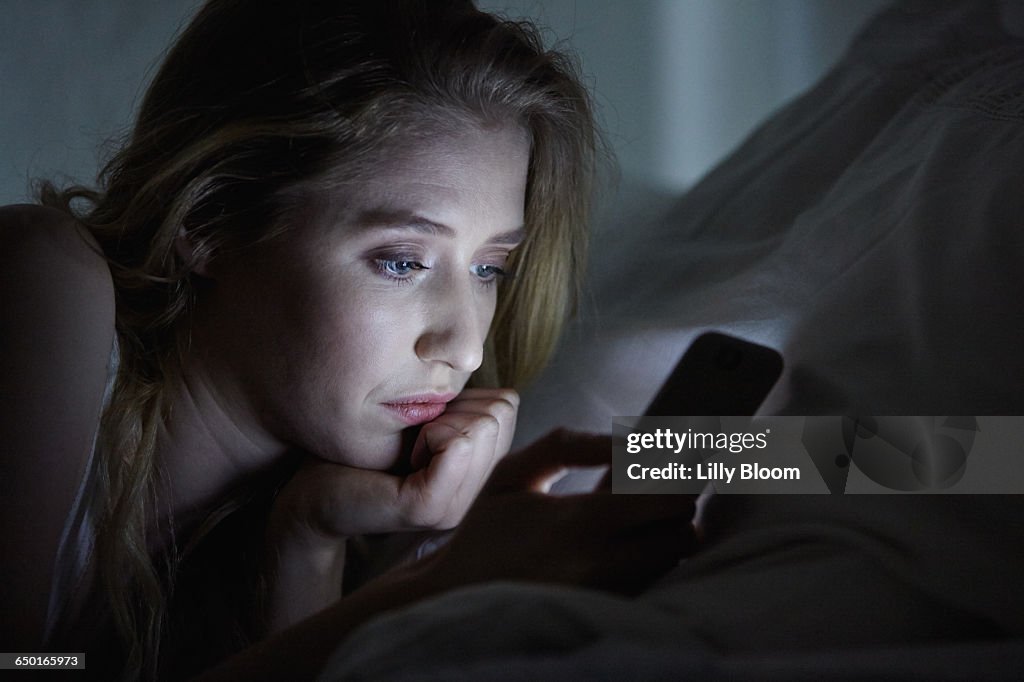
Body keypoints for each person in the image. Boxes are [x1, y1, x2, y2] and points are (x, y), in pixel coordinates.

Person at [0, 1, 695, 679]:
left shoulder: (325, 509)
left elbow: (792, 457)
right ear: (208, 220)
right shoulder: (44, 278)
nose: (465, 349)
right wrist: (441, 581)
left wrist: (307, 543)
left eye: (490, 269)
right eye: (402, 261)